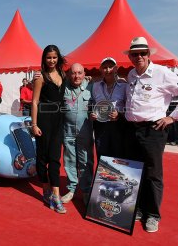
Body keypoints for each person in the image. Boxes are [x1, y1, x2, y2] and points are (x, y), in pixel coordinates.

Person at [123, 37, 178, 233]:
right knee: (135, 172)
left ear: (148, 55)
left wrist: (173, 117)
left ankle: (153, 215)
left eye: (142, 53)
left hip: (153, 130)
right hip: (132, 129)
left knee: (153, 174)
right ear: (130, 57)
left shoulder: (162, 73)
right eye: (135, 54)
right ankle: (138, 209)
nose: (139, 56)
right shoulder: (131, 75)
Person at [31, 45, 66, 214]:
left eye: (54, 57)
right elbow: (35, 102)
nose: (51, 60)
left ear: (58, 58)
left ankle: (56, 195)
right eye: (48, 57)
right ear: (44, 59)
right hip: (44, 120)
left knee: (55, 158)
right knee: (42, 157)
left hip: (58, 121)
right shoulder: (40, 77)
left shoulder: (63, 75)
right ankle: (45, 190)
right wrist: (34, 124)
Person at [60, 63, 94, 205]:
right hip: (67, 131)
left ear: (84, 73)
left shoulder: (91, 86)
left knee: (86, 161)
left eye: (80, 73)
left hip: (85, 131)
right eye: (74, 73)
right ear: (69, 74)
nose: (77, 76)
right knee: (69, 161)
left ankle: (86, 190)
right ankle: (71, 189)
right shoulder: (63, 86)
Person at [90, 57, 127, 159]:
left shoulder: (124, 86)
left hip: (118, 126)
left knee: (118, 155)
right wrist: (92, 114)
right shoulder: (95, 86)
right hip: (101, 125)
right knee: (102, 156)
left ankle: (118, 175)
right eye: (105, 67)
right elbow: (92, 104)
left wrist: (119, 114)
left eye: (110, 67)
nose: (108, 70)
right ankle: (102, 176)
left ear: (116, 69)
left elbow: (129, 107)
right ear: (101, 70)